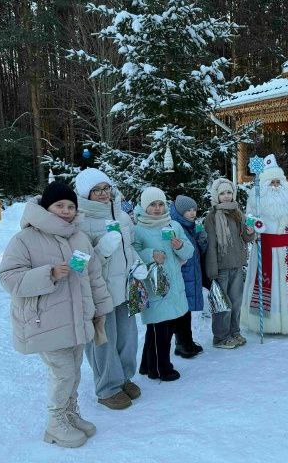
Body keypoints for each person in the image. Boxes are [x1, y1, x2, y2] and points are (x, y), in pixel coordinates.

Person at [0, 182, 113, 448]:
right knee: (63, 374)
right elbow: (8, 278)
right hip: (46, 321)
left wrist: (101, 309)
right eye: (59, 205)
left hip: (77, 319)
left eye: (71, 206)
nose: (66, 211)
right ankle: (55, 423)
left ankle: (70, 414)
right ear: (45, 207)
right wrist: (48, 274)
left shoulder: (79, 238)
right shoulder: (25, 239)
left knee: (74, 372)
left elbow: (94, 276)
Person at [75, 168, 140, 410]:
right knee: (103, 341)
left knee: (127, 338)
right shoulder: (80, 221)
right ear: (86, 194)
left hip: (124, 288)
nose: (103, 194)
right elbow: (77, 265)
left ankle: (123, 378)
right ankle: (107, 388)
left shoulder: (122, 216)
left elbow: (129, 247)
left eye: (106, 188)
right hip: (99, 293)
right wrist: (101, 250)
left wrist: (138, 264)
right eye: (96, 190)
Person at [133, 187, 194, 381]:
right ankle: (161, 369)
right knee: (161, 329)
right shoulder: (138, 229)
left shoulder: (173, 225)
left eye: (160, 204)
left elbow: (189, 251)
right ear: (144, 206)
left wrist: (180, 246)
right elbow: (133, 254)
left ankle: (147, 365)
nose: (157, 208)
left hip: (174, 285)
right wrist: (151, 255)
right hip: (155, 287)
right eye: (152, 204)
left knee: (159, 328)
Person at [241, 154, 288, 335]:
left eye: (278, 182)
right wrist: (255, 223)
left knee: (286, 286)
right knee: (270, 286)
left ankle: (286, 322)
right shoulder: (256, 199)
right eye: (272, 183)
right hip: (265, 247)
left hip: (286, 251)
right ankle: (266, 323)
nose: (275, 186)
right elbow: (249, 219)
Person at [204, 178, 256, 348]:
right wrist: (212, 270)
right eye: (222, 193)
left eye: (229, 192)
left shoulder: (237, 213)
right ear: (216, 196)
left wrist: (250, 232)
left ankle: (234, 332)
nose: (226, 196)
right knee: (223, 305)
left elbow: (246, 238)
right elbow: (211, 245)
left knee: (236, 302)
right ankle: (220, 337)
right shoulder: (212, 217)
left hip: (237, 265)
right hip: (221, 268)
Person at [170, 195, 207, 358]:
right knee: (182, 311)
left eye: (194, 210)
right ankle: (182, 344)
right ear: (180, 212)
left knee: (186, 311)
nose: (192, 213)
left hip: (191, 273)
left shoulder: (190, 226)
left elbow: (199, 251)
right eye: (188, 211)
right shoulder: (176, 227)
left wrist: (201, 236)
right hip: (182, 274)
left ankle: (186, 341)